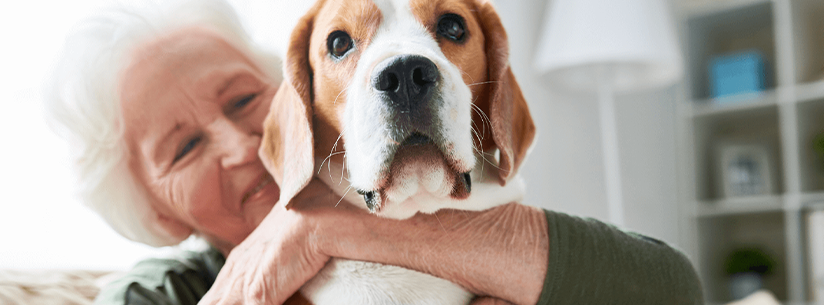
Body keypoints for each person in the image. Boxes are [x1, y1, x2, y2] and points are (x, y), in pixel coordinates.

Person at [45, 0, 704, 304]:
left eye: (246, 100)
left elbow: (674, 287)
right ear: (157, 211)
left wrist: (321, 223)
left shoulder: (461, 197)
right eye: (184, 147)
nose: (243, 146)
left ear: (296, 102)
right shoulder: (154, 295)